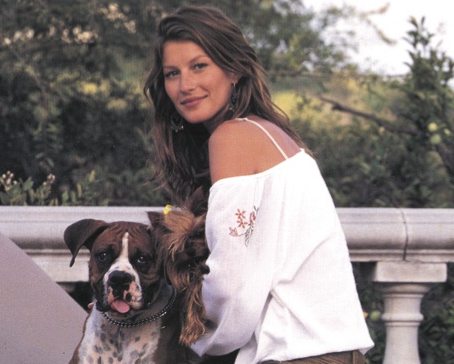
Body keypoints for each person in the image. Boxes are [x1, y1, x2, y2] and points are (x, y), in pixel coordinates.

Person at [143, 5, 374, 364]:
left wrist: (187, 335)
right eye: (173, 73)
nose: (185, 85)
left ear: (233, 69)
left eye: (199, 66)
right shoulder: (265, 133)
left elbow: (234, 290)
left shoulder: (232, 138)